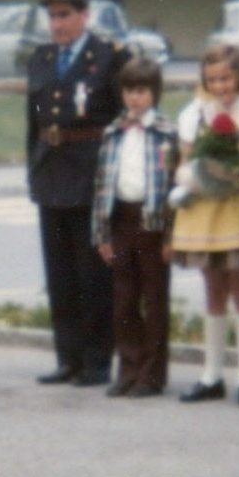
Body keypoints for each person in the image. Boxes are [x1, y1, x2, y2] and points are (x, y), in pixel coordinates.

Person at [170, 40, 239, 405]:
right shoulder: (196, 114)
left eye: (226, 78)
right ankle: (211, 374)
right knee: (212, 287)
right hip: (204, 206)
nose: (220, 86)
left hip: (238, 207)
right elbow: (185, 159)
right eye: (213, 80)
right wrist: (191, 176)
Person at [26, 0, 122, 387]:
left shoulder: (109, 58)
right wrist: (32, 168)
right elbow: (33, 122)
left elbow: (119, 121)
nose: (56, 24)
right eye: (52, 15)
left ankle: (97, 360)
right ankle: (68, 357)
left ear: (85, 15)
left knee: (92, 274)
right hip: (52, 170)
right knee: (60, 273)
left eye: (64, 15)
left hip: (89, 173)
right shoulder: (42, 59)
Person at [92, 56, 180, 399]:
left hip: (154, 223)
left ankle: (152, 374)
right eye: (129, 90)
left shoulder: (167, 133)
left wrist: (172, 236)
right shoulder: (113, 132)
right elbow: (102, 186)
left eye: (142, 91)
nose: (135, 98)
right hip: (122, 222)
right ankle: (127, 369)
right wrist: (102, 234)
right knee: (124, 300)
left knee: (154, 300)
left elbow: (174, 187)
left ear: (155, 93)